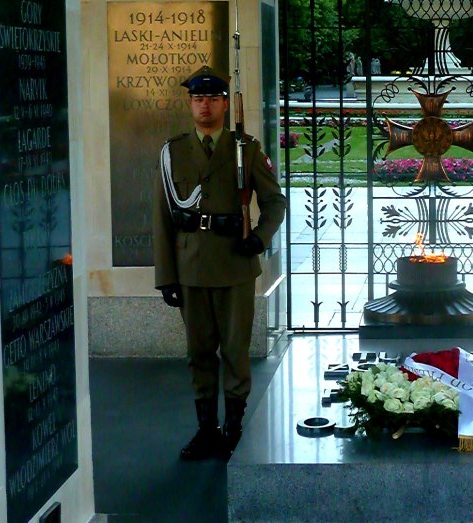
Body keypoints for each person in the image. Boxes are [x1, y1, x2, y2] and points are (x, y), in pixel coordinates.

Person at [153, 66, 288, 460]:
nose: (205, 105)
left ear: (226, 103)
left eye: (213, 98)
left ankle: (233, 425)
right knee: (198, 353)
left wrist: (260, 238)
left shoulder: (245, 147)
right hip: (191, 268)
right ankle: (206, 430)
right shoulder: (173, 151)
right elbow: (162, 216)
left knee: (234, 349)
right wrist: (166, 276)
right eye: (198, 99)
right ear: (190, 103)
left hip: (234, 266)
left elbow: (276, 202)